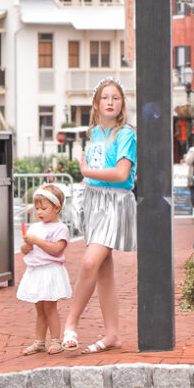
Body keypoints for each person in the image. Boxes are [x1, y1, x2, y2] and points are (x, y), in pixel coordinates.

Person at [62, 78, 136, 354]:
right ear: (96, 104)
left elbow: (121, 174)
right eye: (105, 97)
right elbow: (95, 170)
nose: (110, 102)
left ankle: (70, 323)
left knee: (88, 264)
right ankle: (113, 334)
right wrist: (85, 185)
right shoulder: (93, 134)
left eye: (116, 98)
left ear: (121, 105)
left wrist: (86, 173)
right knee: (104, 272)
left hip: (114, 205)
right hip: (94, 202)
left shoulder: (125, 134)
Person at [17, 183, 72, 355]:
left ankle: (56, 340)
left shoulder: (60, 228)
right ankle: (39, 341)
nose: (39, 212)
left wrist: (37, 242)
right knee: (39, 308)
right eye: (37, 208)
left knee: (50, 307)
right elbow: (26, 250)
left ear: (56, 208)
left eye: (44, 208)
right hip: (36, 271)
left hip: (50, 271)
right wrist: (26, 247)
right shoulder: (35, 228)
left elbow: (57, 249)